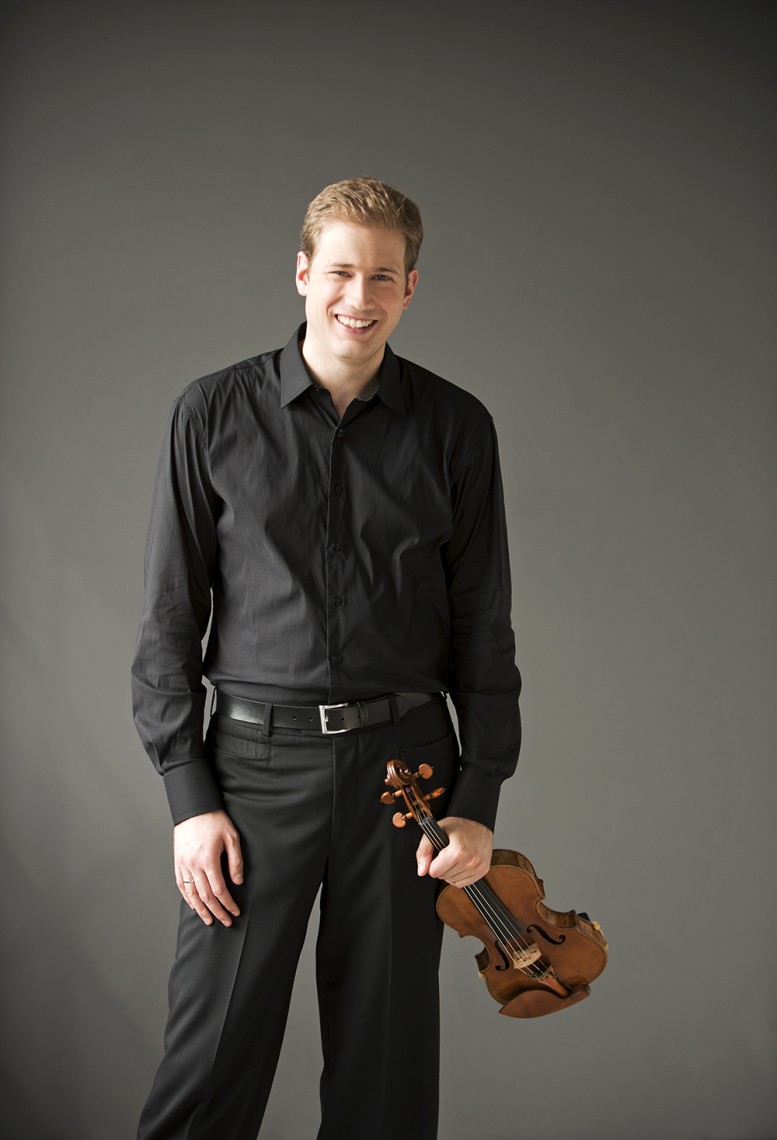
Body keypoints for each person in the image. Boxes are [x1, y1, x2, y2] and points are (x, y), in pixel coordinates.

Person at [131, 176, 521, 1140]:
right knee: (209, 1067)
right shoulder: (210, 413)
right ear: (303, 274)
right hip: (251, 773)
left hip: (408, 778)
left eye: (382, 276)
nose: (360, 295)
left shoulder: (457, 426)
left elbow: (483, 626)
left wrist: (477, 799)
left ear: (410, 287)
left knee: (384, 1077)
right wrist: (189, 798)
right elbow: (170, 621)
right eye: (341, 271)